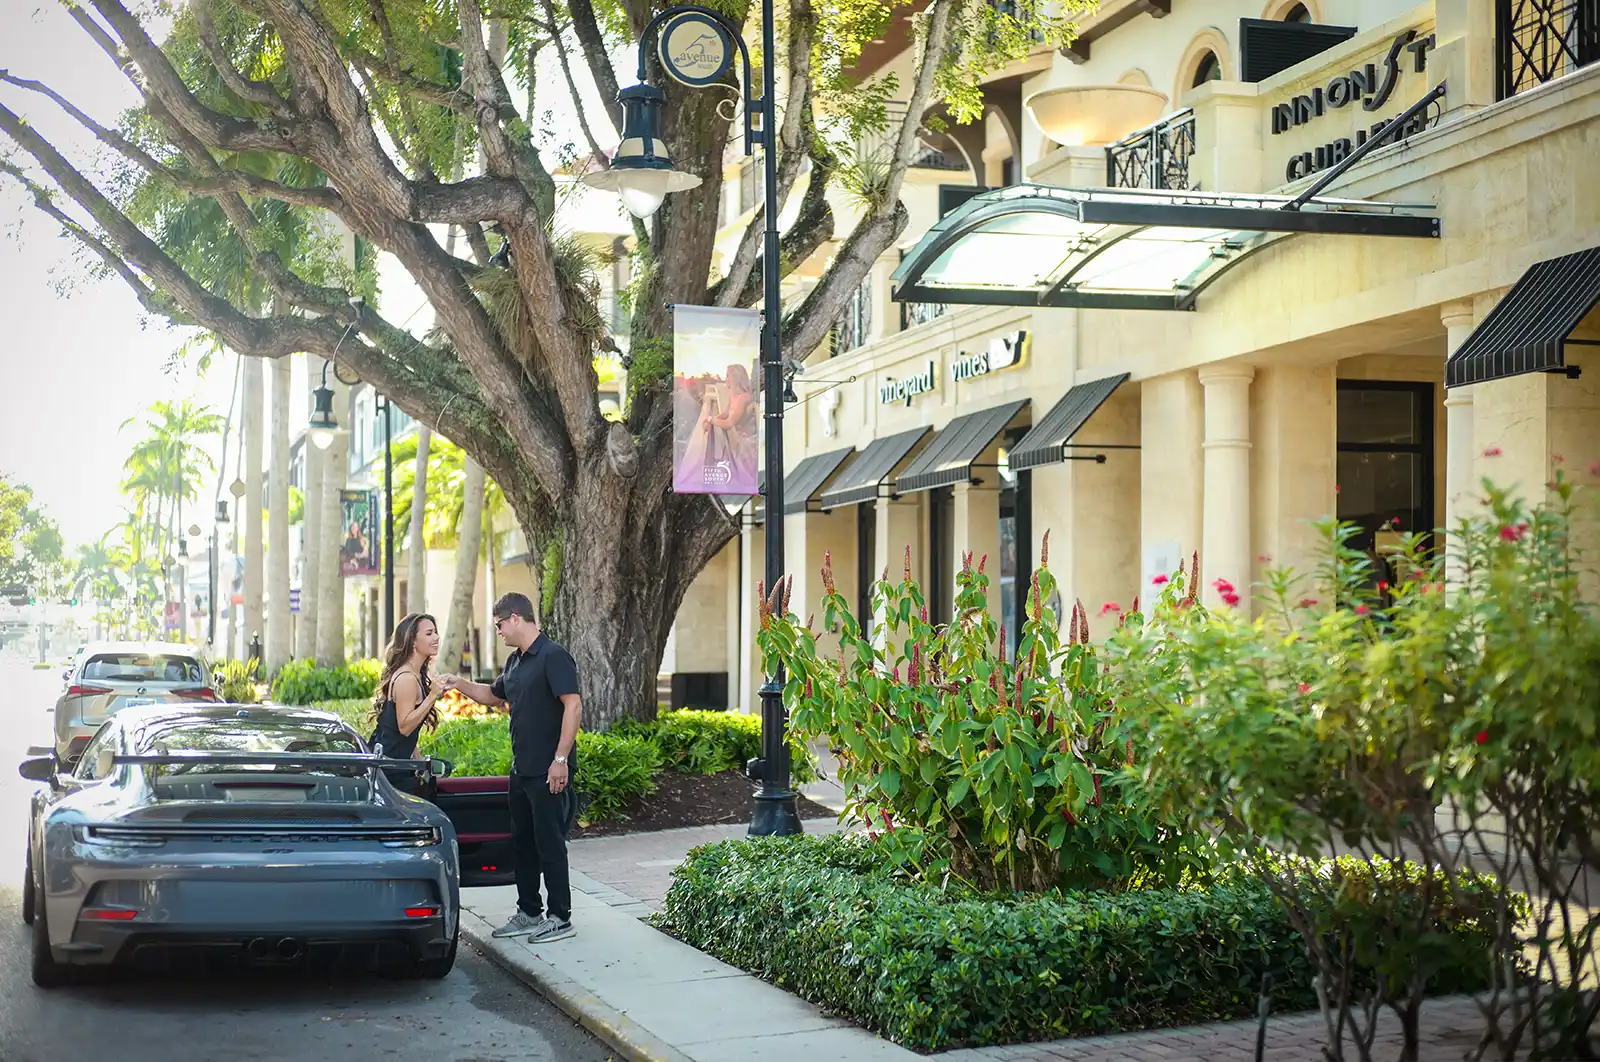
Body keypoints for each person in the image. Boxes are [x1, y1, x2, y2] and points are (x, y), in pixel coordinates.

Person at [444, 593, 581, 943]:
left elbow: (573, 706)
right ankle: (530, 912)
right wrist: (458, 683)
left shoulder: (553, 656)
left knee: (549, 842)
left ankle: (560, 917)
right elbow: (493, 695)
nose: (500, 631)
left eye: (500, 625)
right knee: (522, 842)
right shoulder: (515, 662)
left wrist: (560, 759)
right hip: (522, 770)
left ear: (516, 618)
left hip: (550, 769)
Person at [368, 613, 444, 795]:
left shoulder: (414, 675)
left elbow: (399, 727)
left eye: (435, 632)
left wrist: (416, 757)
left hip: (396, 765)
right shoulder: (407, 678)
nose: (436, 637)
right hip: (390, 771)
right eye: (429, 633)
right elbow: (404, 727)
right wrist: (432, 696)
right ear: (412, 641)